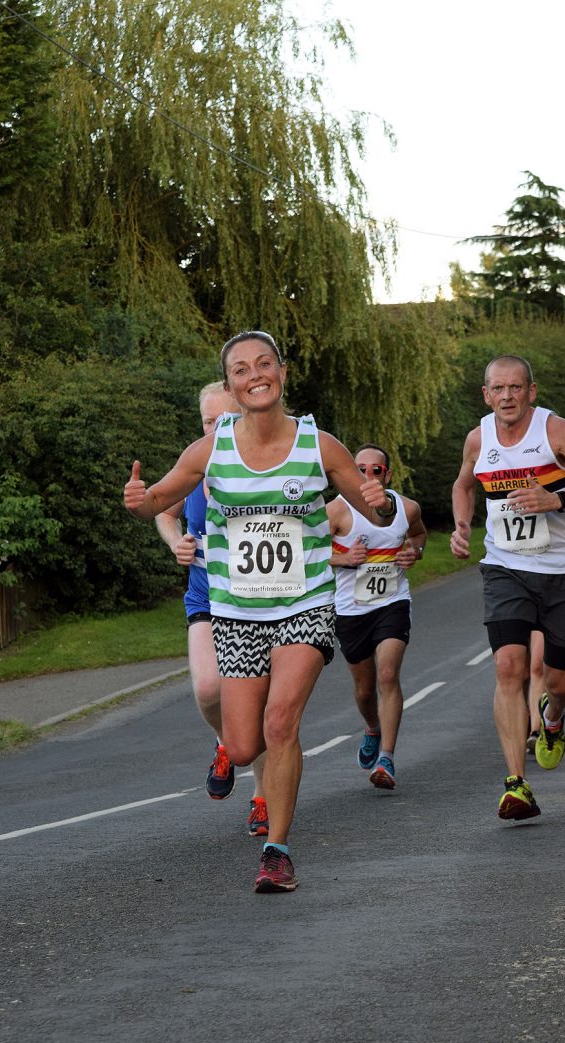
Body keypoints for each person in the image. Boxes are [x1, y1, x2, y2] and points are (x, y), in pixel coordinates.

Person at [125, 330, 395, 892]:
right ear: (231, 385)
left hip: (304, 602)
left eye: (264, 364)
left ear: (283, 372)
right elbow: (159, 498)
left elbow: (372, 502)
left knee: (280, 725)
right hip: (236, 609)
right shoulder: (211, 449)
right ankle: (230, 750)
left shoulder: (318, 445)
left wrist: (381, 501)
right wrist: (139, 501)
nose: (255, 376)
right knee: (247, 744)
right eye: (242, 370)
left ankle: (277, 849)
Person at [451, 354, 565, 821]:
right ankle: (516, 782)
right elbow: (463, 484)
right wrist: (462, 525)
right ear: (486, 395)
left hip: (563, 573)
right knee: (508, 666)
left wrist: (555, 498)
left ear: (532, 391)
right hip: (506, 568)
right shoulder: (478, 438)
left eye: (515, 388)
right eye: (497, 389)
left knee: (560, 682)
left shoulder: (555, 431)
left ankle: (554, 718)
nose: (506, 397)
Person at [155, 382, 269, 835]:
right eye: (209, 420)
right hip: (206, 594)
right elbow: (163, 510)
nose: (219, 426)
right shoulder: (197, 462)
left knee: (258, 709)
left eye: (227, 417)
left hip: (257, 600)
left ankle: (262, 799)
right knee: (207, 690)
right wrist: (175, 542)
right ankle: (225, 743)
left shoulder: (266, 462)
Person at [327, 443, 427, 790]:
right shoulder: (336, 512)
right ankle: (372, 726)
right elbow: (305, 552)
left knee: (387, 675)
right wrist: (342, 559)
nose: (369, 476)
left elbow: (418, 535)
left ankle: (387, 758)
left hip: (392, 602)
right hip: (351, 610)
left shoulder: (406, 508)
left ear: (388, 474)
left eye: (376, 470)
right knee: (365, 689)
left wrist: (415, 552)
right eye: (361, 470)